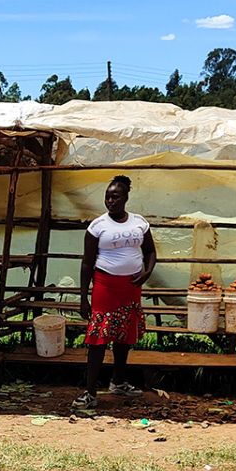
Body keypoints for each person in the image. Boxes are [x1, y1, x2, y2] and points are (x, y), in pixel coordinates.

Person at [73, 175, 156, 409]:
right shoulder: (98, 226)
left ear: (126, 197)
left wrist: (147, 273)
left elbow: (150, 252)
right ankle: (90, 392)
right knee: (98, 339)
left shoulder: (139, 223)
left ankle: (118, 382)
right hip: (105, 287)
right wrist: (83, 298)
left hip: (131, 288)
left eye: (115, 196)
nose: (110, 200)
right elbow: (87, 263)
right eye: (107, 196)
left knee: (124, 335)